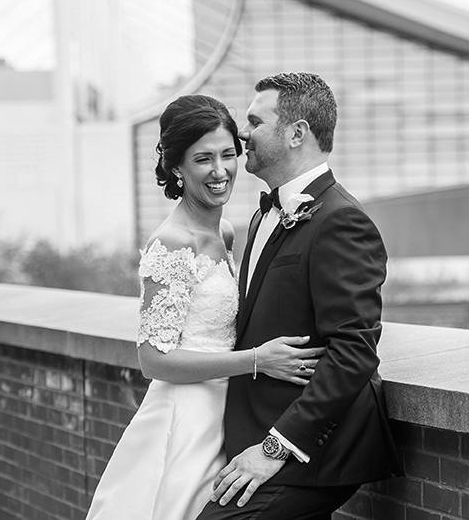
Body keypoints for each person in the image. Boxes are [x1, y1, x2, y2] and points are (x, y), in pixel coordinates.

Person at [87, 95, 325, 520]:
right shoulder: (172, 242)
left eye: (228, 154)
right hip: (186, 420)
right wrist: (257, 360)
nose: (220, 171)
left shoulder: (227, 232)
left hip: (231, 415)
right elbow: (152, 361)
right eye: (203, 159)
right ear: (177, 167)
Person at [197, 73, 402, 520]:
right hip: (250, 438)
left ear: (296, 133)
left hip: (309, 456)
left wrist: (275, 448)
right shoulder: (264, 212)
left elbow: (354, 353)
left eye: (255, 121)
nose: (243, 133)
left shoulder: (342, 221)